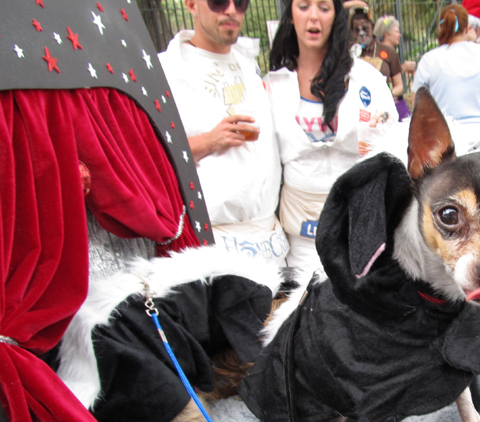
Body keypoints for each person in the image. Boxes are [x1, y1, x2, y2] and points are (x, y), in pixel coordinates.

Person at [158, 0, 289, 268]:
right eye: (218, 2)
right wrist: (207, 142)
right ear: (191, 5)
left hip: (269, 243)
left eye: (240, 3)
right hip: (211, 246)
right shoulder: (165, 73)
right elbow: (143, 157)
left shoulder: (249, 66)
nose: (230, 10)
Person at [267, 0, 397, 270]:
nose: (313, 17)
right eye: (303, 7)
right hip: (301, 236)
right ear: (290, 16)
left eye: (324, 8)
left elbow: (392, 147)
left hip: (359, 228)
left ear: (336, 17)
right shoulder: (272, 86)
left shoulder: (368, 80)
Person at [411, 4, 480, 144]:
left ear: (441, 27)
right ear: (467, 28)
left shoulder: (429, 59)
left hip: (446, 138)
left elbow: (417, 104)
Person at [349, 9, 405, 111]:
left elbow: (399, 87)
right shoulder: (349, 53)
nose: (361, 33)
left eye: (365, 28)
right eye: (356, 29)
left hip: (384, 109)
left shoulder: (388, 51)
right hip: (358, 109)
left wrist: (386, 94)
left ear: (372, 26)